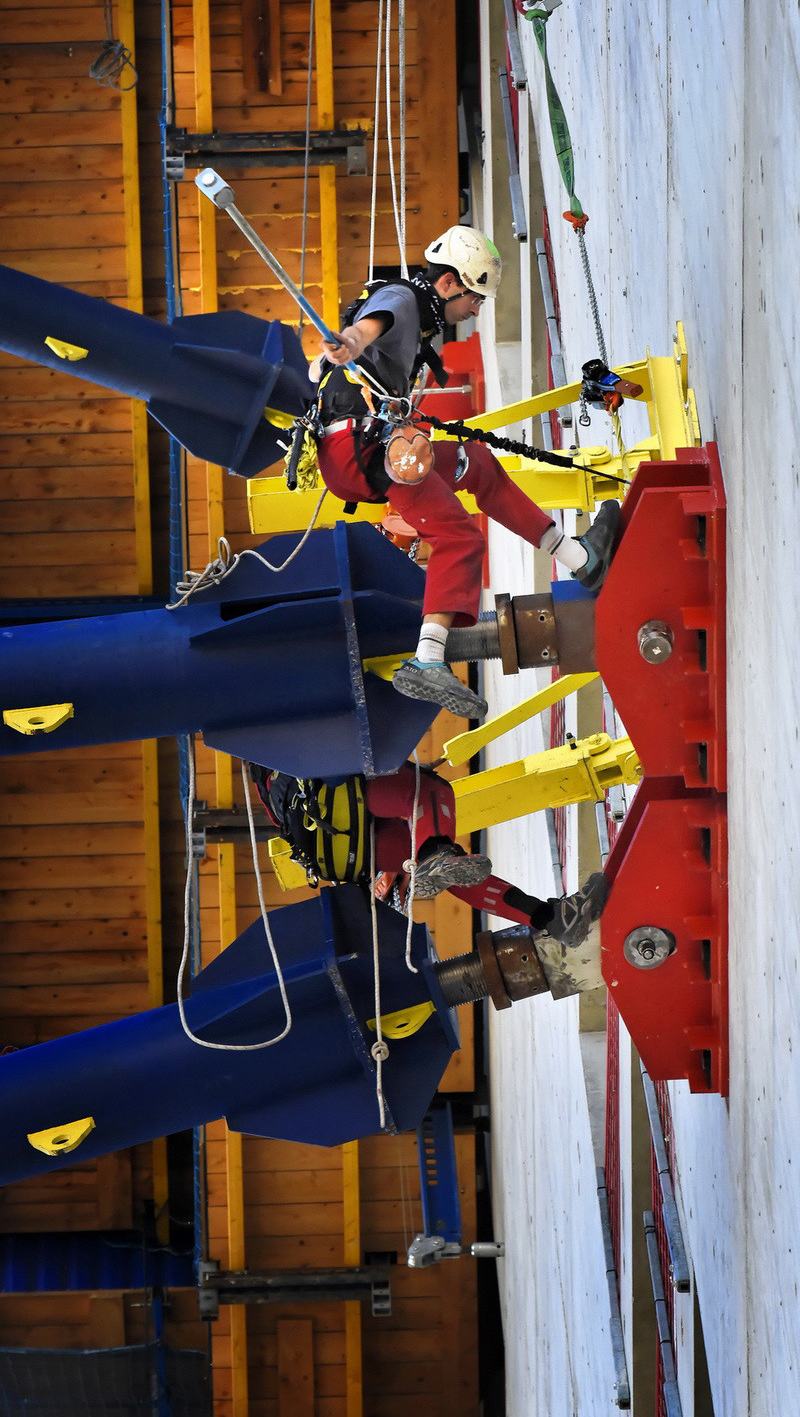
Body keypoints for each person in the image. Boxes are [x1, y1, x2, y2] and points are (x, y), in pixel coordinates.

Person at [312, 227, 621, 721]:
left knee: (479, 466)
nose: (476, 309)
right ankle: (429, 658)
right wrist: (349, 341)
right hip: (366, 451)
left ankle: (579, 557)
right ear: (451, 283)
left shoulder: (420, 316)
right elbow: (371, 324)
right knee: (460, 539)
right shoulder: (404, 301)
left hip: (376, 448)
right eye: (475, 297)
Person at [252, 759, 607, 945]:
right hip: (341, 802)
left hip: (340, 853)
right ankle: (436, 855)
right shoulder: (289, 707)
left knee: (440, 869)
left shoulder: (258, 769)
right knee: (428, 792)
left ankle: (549, 919)